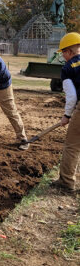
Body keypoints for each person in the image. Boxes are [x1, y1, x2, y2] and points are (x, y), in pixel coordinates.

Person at [50, 32, 80, 193]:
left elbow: (72, 96)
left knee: (72, 145)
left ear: (69, 51)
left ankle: (66, 182)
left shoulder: (68, 68)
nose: (62, 56)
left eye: (63, 52)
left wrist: (67, 116)